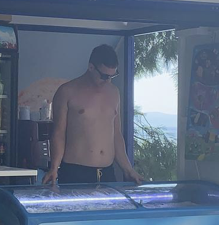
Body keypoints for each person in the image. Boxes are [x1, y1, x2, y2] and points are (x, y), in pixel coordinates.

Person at [42, 44, 144, 185]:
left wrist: (128, 169)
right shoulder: (67, 91)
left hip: (108, 172)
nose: (108, 80)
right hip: (76, 172)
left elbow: (116, 135)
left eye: (112, 76)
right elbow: (59, 134)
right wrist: (54, 168)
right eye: (104, 76)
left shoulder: (114, 92)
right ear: (91, 67)